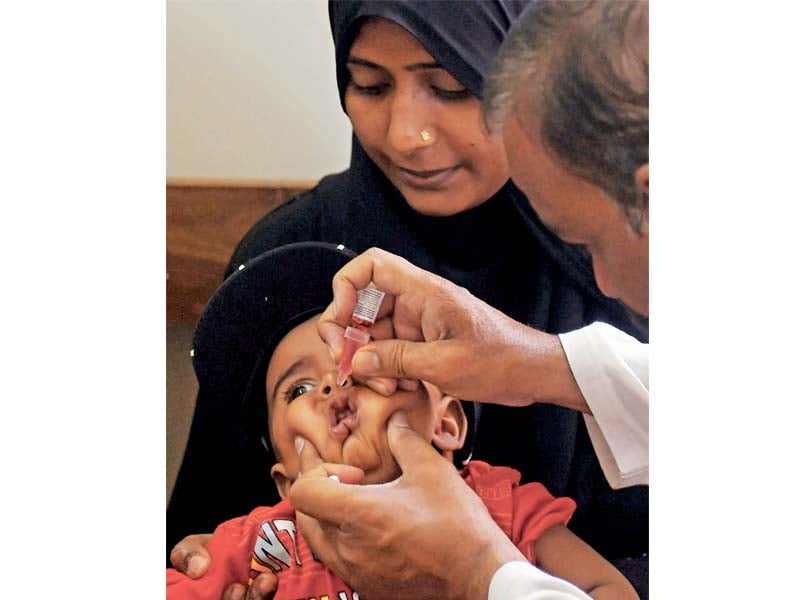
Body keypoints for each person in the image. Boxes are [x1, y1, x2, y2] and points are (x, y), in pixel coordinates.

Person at [168, 0, 649, 596]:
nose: (407, 135)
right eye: (369, 85)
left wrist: (476, 571)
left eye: (451, 86)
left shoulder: (630, 258)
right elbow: (211, 530)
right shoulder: (289, 256)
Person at [167, 241, 638, 600]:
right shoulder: (261, 544)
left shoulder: (501, 509)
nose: (336, 383)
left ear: (447, 424)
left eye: (374, 365)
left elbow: (610, 591)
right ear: (287, 482)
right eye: (299, 390)